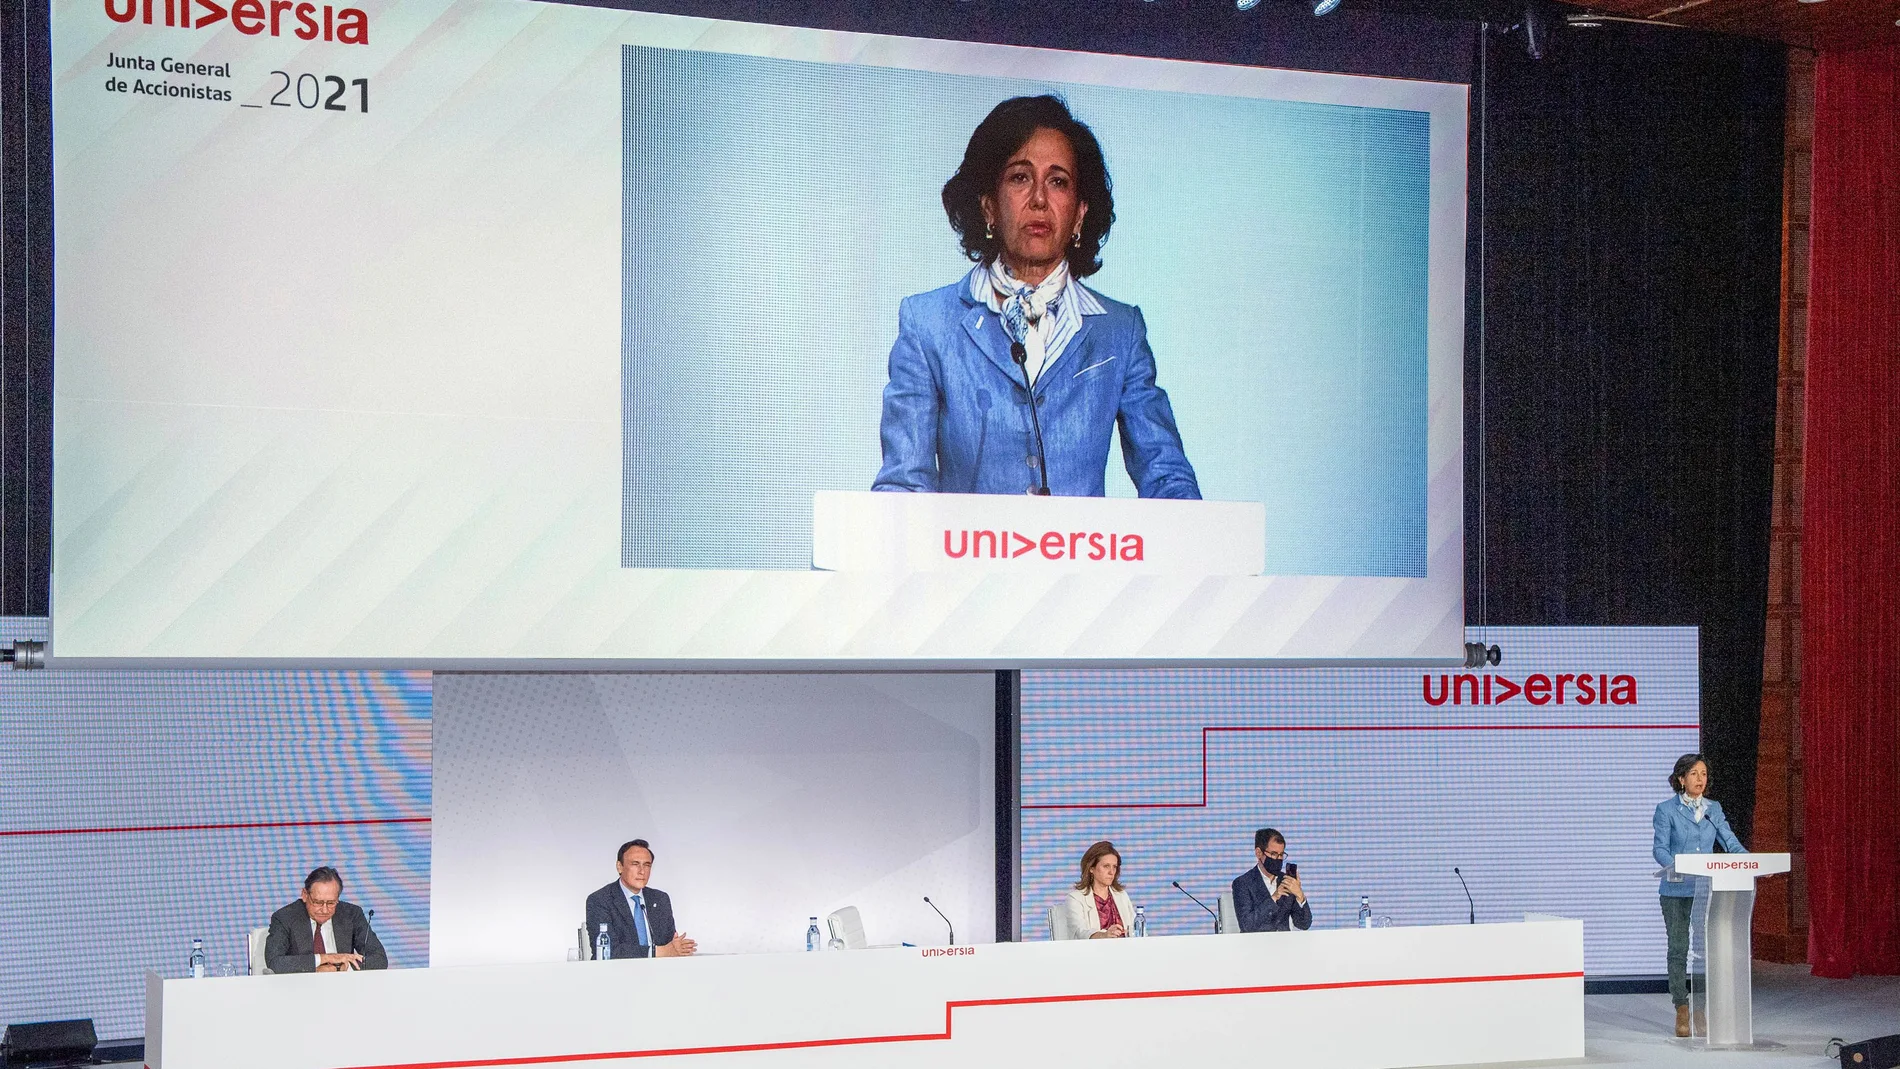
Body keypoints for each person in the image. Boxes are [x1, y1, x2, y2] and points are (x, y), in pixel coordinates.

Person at [873, 94, 1200, 499]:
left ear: (1080, 213)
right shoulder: (928, 323)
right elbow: (903, 485)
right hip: (965, 561)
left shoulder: (1120, 332)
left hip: (1085, 561)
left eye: (1058, 181)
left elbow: (1167, 478)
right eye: (1020, 178)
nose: (1040, 200)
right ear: (989, 206)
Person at [1652, 752, 1745, 1037]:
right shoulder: (1666, 810)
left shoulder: (1713, 809)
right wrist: (1674, 865)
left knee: (1704, 951)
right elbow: (1659, 849)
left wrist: (1748, 862)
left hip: (1706, 890)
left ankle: (1701, 1011)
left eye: (1703, 774)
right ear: (1681, 779)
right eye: (1693, 774)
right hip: (1676, 890)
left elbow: (1728, 840)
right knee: (1678, 949)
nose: (1700, 779)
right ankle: (1682, 1007)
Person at [584, 839, 697, 959]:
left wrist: (678, 948)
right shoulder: (600, 900)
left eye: (647, 865)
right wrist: (656, 952)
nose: (642, 871)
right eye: (635, 864)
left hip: (659, 973)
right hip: (617, 974)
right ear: (619, 867)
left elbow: (670, 946)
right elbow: (607, 951)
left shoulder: (660, 899)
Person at [264, 866, 388, 973]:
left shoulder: (351, 914)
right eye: (318, 902)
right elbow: (275, 962)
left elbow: (379, 959)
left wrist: (344, 967)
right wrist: (324, 959)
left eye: (331, 903)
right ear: (305, 895)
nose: (324, 910)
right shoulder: (285, 917)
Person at [1231, 828, 1311, 933]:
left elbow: (1303, 924)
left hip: (1285, 945)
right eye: (1273, 854)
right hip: (1256, 946)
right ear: (1259, 853)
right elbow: (1247, 925)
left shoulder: (1286, 881)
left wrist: (1300, 896)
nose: (1278, 859)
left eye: (1281, 855)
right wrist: (1274, 897)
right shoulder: (1243, 883)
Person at [1063, 840, 1137, 939]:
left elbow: (1136, 929)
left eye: (1114, 867)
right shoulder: (1075, 898)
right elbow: (1080, 932)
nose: (1111, 872)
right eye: (1106, 866)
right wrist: (1104, 935)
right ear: (1091, 868)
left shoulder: (1121, 895)